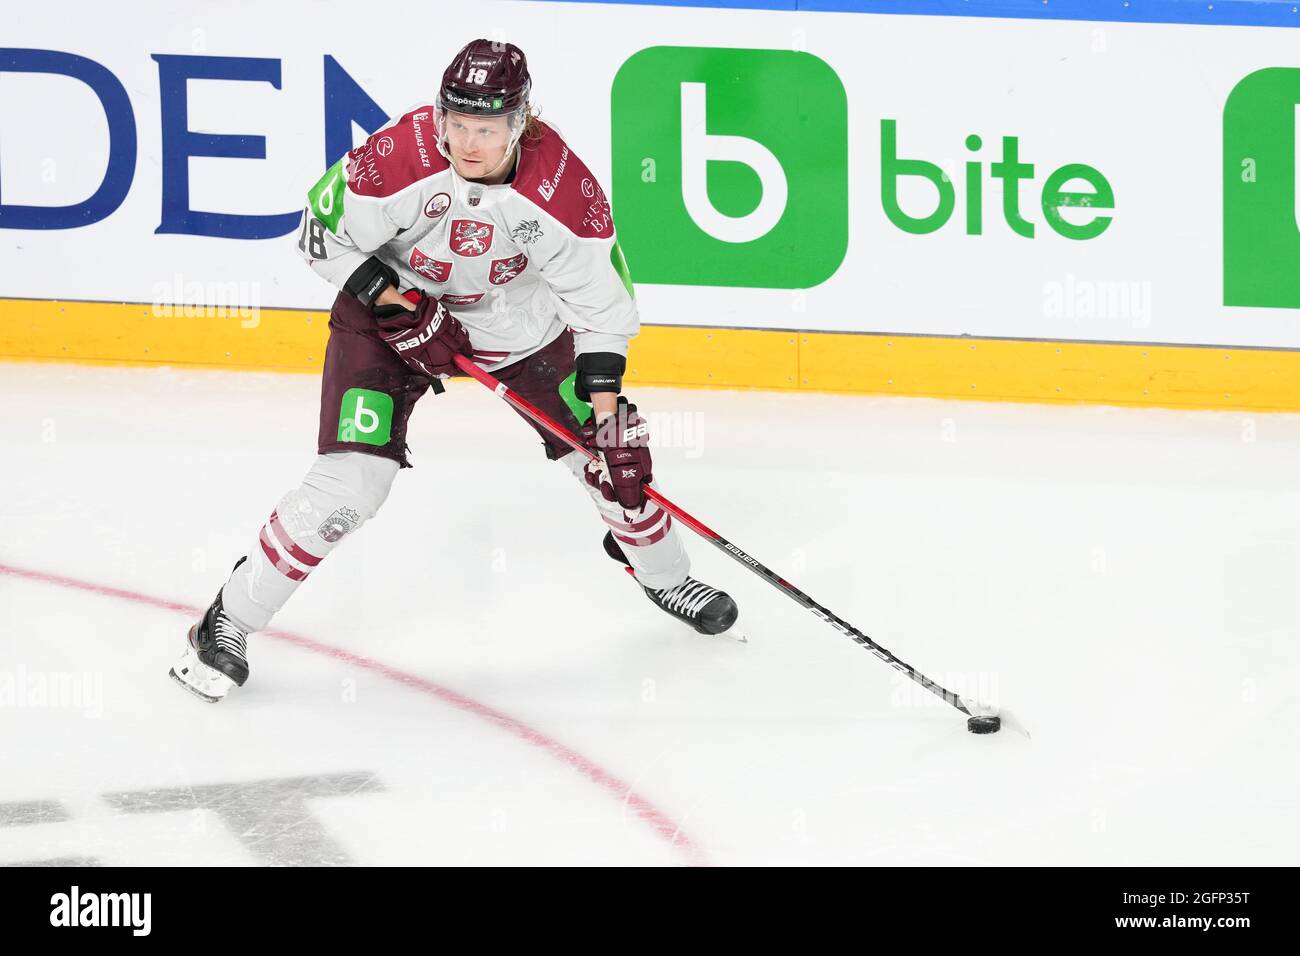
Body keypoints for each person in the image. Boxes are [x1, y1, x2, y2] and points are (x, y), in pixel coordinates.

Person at [170, 38, 739, 703]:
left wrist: (606, 418)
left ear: (519, 122)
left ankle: (664, 575)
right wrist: (392, 300)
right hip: (387, 327)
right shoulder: (398, 157)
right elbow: (317, 230)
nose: (467, 142)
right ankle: (227, 620)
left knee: (612, 464)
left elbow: (601, 305)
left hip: (517, 327)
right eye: (458, 123)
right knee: (349, 490)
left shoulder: (564, 191)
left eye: (487, 129)